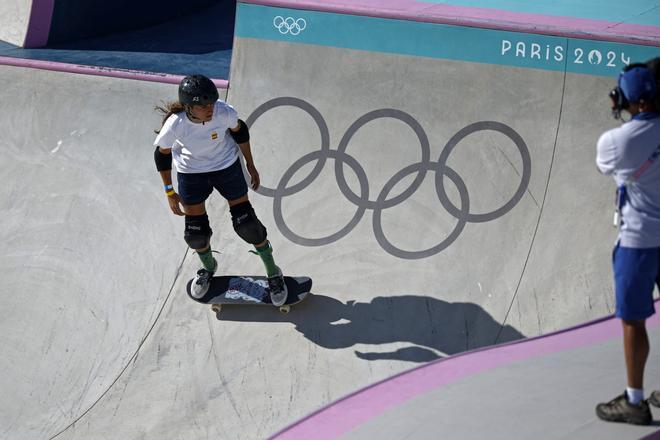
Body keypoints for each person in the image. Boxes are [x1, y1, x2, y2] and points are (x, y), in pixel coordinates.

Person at [153, 74, 288, 306]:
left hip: (226, 167)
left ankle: (273, 271)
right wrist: (169, 191)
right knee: (195, 235)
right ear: (188, 107)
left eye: (212, 103)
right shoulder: (176, 124)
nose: (210, 109)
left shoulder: (224, 112)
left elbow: (240, 131)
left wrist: (250, 163)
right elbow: (161, 154)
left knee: (248, 226)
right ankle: (208, 268)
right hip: (191, 174)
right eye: (203, 105)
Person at [595, 64, 660, 425]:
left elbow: (605, 166)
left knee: (634, 322)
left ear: (624, 99)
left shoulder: (614, 142)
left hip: (637, 242)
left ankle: (635, 401)